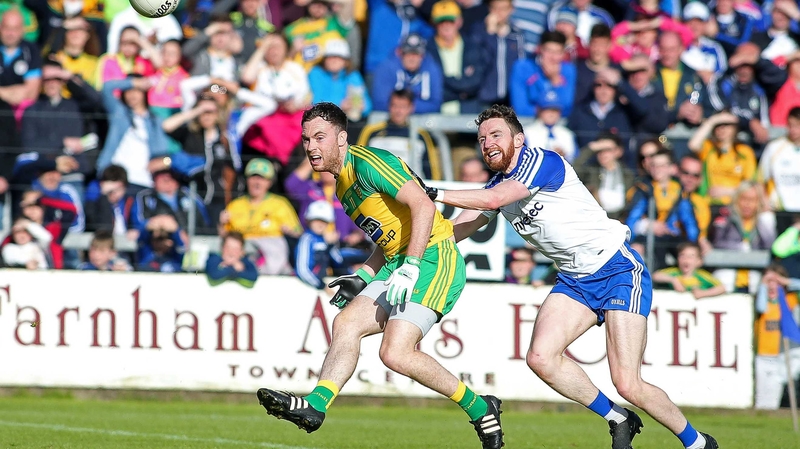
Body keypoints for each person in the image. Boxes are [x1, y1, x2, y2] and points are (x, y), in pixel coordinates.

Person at [424, 104, 718, 449]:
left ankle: (698, 443)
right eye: (482, 138)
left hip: (617, 269)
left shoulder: (539, 162)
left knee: (628, 383)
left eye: (496, 135)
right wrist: (410, 249)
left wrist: (431, 191)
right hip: (575, 279)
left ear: (519, 139)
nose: (487, 143)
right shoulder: (496, 185)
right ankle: (617, 417)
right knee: (541, 358)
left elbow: (492, 200)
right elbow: (458, 227)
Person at [255, 103, 504, 449]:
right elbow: (388, 238)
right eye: (306, 139)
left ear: (341, 138)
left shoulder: (369, 163)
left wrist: (412, 265)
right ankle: (315, 406)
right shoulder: (342, 186)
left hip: (433, 258)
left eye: (319, 137)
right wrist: (363, 275)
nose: (310, 146)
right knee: (346, 324)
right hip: (397, 264)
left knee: (395, 354)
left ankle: (480, 407)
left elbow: (424, 206)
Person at [295, 200, 346, 290]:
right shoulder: (307, 239)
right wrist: (321, 285)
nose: (320, 224)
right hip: (309, 287)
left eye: (324, 221)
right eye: (316, 220)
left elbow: (339, 263)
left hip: (323, 284)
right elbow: (302, 270)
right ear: (308, 221)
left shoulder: (325, 239)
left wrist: (331, 245)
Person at [652, 242, 726, 298]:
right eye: (682, 256)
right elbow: (655, 276)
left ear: (699, 261)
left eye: (691, 256)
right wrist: (673, 280)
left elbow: (721, 288)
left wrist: (703, 293)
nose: (686, 259)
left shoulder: (702, 276)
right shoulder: (675, 273)